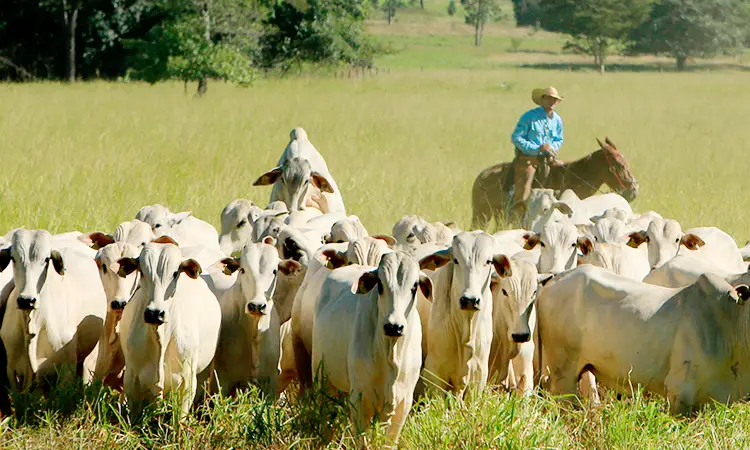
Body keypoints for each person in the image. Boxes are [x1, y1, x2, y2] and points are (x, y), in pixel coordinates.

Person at [509, 86, 564, 213]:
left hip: (549, 158)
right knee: (526, 180)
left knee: (565, 172)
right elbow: (516, 137)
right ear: (542, 99)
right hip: (529, 158)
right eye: (549, 99)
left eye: (554, 100)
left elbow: (558, 139)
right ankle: (519, 210)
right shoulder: (529, 117)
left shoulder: (557, 120)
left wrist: (552, 148)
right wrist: (537, 149)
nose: (552, 102)